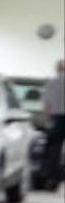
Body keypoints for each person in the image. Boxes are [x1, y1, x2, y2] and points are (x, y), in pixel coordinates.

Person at [43, 59, 65, 190]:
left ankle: (53, 179)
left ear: (56, 69)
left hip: (57, 119)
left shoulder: (51, 83)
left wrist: (49, 120)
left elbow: (47, 105)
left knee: (53, 150)